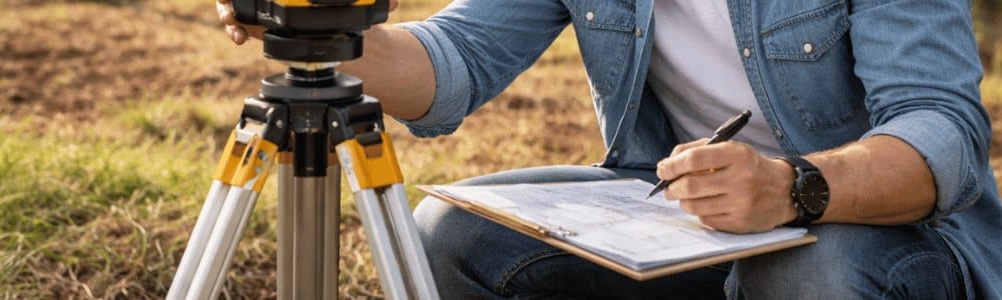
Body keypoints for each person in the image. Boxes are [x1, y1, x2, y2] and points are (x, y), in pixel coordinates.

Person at [216, 0, 1001, 298]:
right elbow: (448, 64)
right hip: (681, 228)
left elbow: (943, 134)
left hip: (875, 240)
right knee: (448, 237)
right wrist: (309, 21)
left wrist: (793, 187)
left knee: (806, 270)